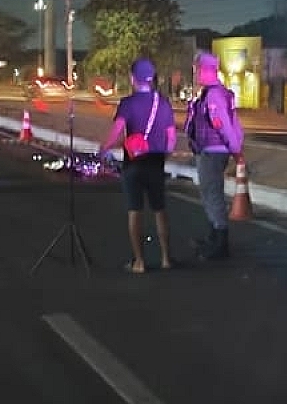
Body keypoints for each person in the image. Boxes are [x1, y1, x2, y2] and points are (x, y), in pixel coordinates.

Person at [101, 58, 176, 274]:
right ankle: (165, 258)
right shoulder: (163, 102)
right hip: (156, 162)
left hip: (133, 163)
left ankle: (139, 262)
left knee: (135, 210)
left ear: (133, 78)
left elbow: (117, 130)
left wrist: (104, 148)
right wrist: (165, 155)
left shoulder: (128, 103)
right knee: (160, 210)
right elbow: (171, 136)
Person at [185, 52, 244, 260]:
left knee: (212, 194)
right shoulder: (212, 93)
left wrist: (236, 149)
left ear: (205, 69)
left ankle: (220, 243)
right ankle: (214, 237)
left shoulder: (214, 96)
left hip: (213, 151)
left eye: (196, 69)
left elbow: (225, 125)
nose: (195, 73)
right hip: (209, 150)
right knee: (208, 193)